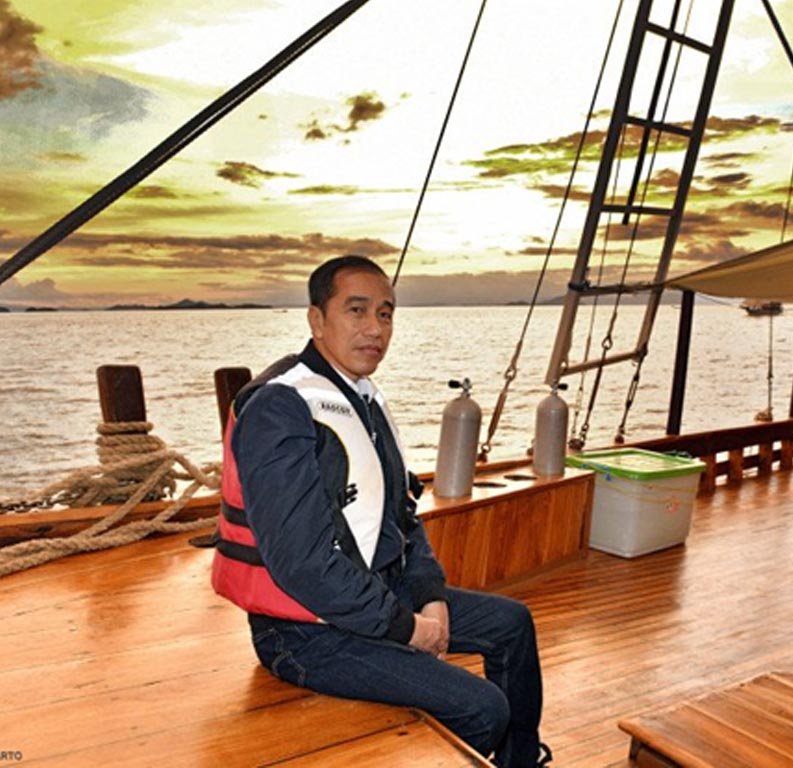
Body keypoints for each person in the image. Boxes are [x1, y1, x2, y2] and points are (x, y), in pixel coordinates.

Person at [211, 255, 550, 766]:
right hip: (303, 631)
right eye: (357, 310)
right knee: (482, 708)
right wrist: (405, 627)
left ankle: (520, 762)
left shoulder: (362, 398)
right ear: (317, 319)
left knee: (512, 624)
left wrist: (430, 596)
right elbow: (301, 564)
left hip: (373, 593)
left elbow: (403, 519)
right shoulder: (280, 408)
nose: (375, 328)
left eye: (385, 313)